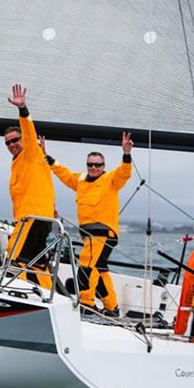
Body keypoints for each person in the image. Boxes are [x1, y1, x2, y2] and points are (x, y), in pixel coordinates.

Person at [42, 133, 133, 316]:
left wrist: (126, 153)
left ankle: (87, 305)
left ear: (103, 166)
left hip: (103, 233)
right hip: (88, 235)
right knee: (99, 269)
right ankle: (111, 307)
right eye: (90, 164)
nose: (93, 167)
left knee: (86, 266)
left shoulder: (111, 180)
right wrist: (46, 156)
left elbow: (125, 172)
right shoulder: (81, 181)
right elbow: (64, 173)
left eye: (97, 165)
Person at [4, 84, 55, 289]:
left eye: (15, 140)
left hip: (32, 218)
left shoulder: (31, 152)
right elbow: (44, 183)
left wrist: (22, 109)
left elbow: (28, 130)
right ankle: (51, 295)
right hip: (37, 217)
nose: (12, 144)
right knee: (36, 263)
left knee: (14, 257)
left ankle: (16, 293)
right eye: (7, 143)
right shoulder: (18, 162)